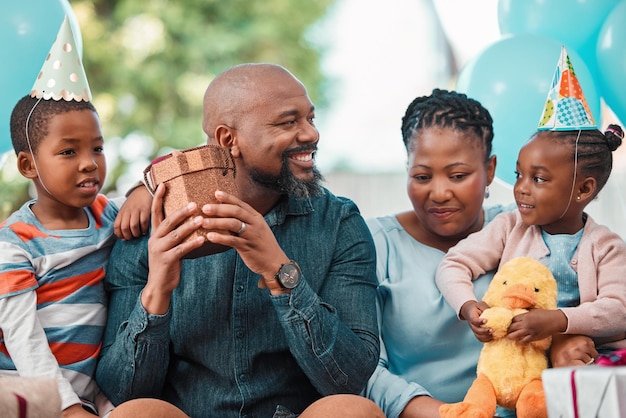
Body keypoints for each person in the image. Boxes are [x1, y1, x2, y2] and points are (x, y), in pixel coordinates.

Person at [95, 63, 385, 418]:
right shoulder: (152, 226)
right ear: (228, 140)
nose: (311, 134)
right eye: (288, 122)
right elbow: (123, 391)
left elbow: (349, 379)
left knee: (352, 411)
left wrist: (281, 273)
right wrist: (157, 293)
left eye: (311, 118)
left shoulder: (339, 223)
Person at [364, 88, 519, 418]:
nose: (439, 193)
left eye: (458, 175)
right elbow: (364, 366)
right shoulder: (375, 243)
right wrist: (447, 414)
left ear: (490, 170)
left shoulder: (518, 229)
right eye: (421, 176)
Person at [435, 124, 626, 354]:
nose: (521, 188)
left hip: (580, 350)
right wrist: (467, 305)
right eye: (519, 175)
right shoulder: (509, 227)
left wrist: (559, 320)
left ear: (583, 189)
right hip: (518, 356)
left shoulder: (606, 246)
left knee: (576, 353)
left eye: (538, 179)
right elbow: (453, 263)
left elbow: (618, 309)